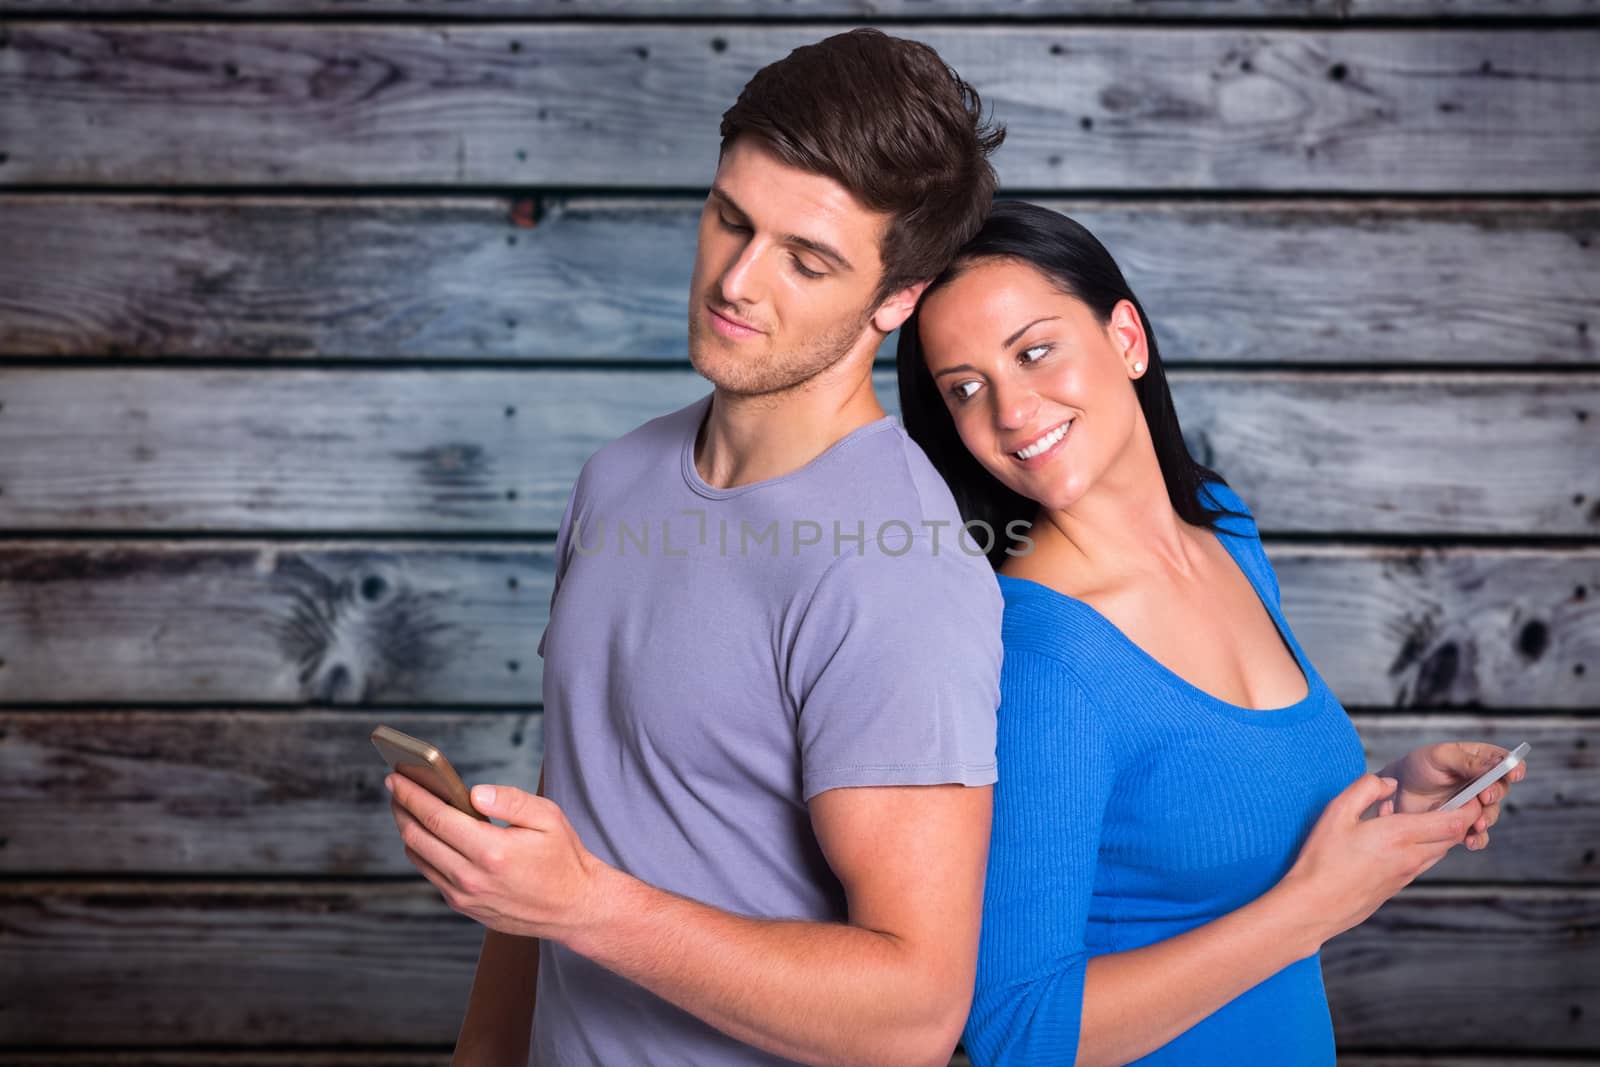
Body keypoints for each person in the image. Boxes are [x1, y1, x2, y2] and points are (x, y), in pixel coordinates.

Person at [385, 29, 1013, 1067]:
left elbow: (912, 1013)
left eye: (807, 260)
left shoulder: (897, 570)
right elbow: (559, 841)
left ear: (895, 301)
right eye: (731, 219)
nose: (738, 280)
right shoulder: (619, 476)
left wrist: (586, 906)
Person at [895, 199, 1528, 1066]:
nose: (1010, 410)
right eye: (965, 387)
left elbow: (1207, 827)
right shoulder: (1043, 657)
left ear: (1126, 338)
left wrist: (1392, 800)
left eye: (1034, 351)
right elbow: (1017, 1029)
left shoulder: (1224, 527)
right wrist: (1311, 905)